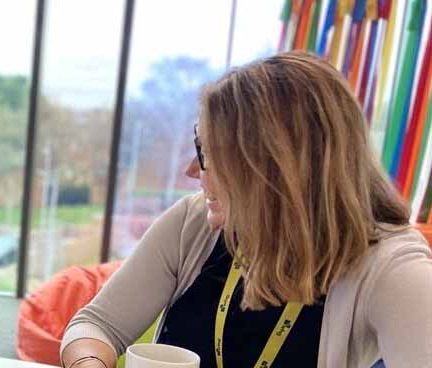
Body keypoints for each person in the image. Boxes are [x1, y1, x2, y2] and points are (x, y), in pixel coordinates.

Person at [60, 52, 432, 368]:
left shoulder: (393, 268)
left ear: (269, 168)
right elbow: (96, 325)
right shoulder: (191, 224)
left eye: (206, 153)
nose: (192, 170)